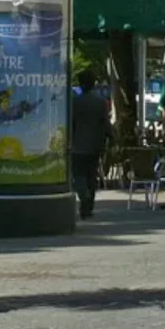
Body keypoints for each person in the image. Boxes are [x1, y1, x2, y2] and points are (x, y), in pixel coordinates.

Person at [70, 70, 112, 219]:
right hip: (95, 145)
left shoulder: (75, 102)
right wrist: (111, 138)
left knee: (78, 175)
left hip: (77, 144)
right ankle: (88, 207)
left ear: (80, 84)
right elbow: (105, 124)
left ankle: (84, 196)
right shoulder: (101, 102)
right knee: (91, 176)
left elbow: (71, 124)